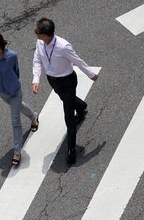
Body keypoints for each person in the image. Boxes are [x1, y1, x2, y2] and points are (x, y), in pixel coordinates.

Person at [31, 17, 98, 166]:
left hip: (67, 80)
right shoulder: (40, 43)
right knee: (66, 100)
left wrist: (90, 74)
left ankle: (71, 150)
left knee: (68, 115)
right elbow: (37, 60)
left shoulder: (63, 46)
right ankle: (81, 107)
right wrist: (36, 79)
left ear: (47, 34)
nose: (36, 35)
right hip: (53, 81)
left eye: (38, 32)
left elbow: (77, 60)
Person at [0, 32, 39, 167]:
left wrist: (12, 83)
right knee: (19, 107)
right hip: (2, 93)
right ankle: (33, 116)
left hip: (15, 92)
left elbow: (16, 71)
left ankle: (17, 152)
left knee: (15, 121)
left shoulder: (11, 56)